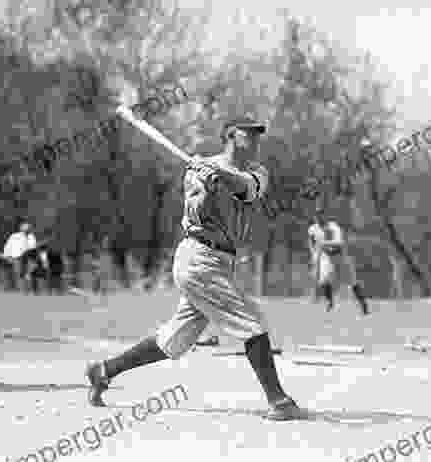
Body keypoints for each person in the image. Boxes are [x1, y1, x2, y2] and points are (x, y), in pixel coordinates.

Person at [85, 114, 300, 420]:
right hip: (199, 258)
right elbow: (196, 216)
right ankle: (279, 401)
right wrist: (206, 185)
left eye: (256, 136)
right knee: (252, 324)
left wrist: (221, 177)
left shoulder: (256, 172)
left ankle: (104, 371)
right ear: (229, 136)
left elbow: (247, 190)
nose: (253, 141)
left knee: (173, 340)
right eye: (247, 134)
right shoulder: (198, 171)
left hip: (222, 262)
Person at [308, 207, 369, 315]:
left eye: (321, 215)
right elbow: (311, 242)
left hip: (340, 256)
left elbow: (339, 242)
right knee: (323, 279)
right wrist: (314, 255)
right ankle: (330, 302)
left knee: (352, 281)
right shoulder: (313, 229)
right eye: (317, 215)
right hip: (326, 256)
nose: (319, 217)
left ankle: (363, 304)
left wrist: (324, 244)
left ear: (325, 216)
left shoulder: (333, 227)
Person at [3, 221, 37, 291]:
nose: (27, 229)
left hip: (28, 257)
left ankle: (28, 290)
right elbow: (8, 246)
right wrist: (7, 256)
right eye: (25, 227)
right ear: (21, 228)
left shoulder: (31, 237)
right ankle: (21, 290)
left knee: (28, 275)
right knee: (18, 275)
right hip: (16, 258)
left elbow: (33, 247)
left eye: (28, 227)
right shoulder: (14, 236)